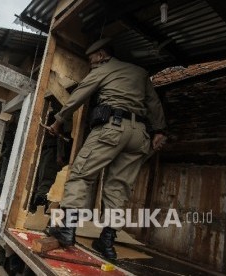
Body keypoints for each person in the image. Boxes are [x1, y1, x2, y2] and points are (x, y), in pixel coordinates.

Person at [47, 37, 167, 260]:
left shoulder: (105, 68)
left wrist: (59, 119)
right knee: (119, 187)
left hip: (112, 128)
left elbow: (80, 94)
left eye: (92, 61)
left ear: (102, 55)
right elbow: (154, 104)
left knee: (82, 175)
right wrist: (159, 130)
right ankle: (107, 243)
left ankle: (66, 230)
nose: (91, 65)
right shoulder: (141, 73)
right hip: (139, 135)